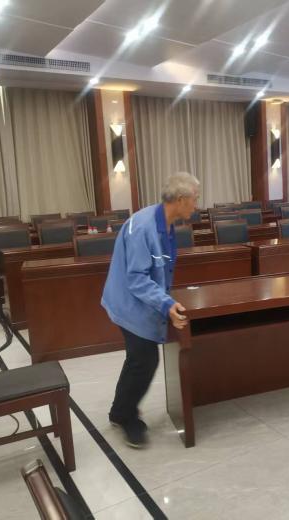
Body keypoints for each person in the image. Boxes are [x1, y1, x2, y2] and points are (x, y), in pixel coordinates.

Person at [101, 172, 200, 447]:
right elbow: (136, 279)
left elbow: (160, 268)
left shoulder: (166, 224)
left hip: (142, 300)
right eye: (195, 199)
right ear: (180, 199)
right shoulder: (143, 227)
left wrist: (165, 299)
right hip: (128, 302)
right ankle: (125, 417)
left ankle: (119, 411)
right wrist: (166, 304)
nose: (196, 205)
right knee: (144, 359)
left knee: (138, 359)